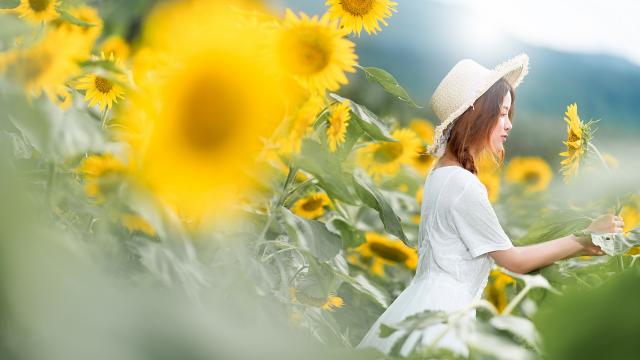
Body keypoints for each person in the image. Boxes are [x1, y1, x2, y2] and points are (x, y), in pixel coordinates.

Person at [355, 53, 625, 357]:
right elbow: (514, 261)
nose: (509, 125)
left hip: (418, 306)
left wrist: (583, 243)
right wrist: (583, 238)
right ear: (476, 114)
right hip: (443, 318)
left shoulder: (441, 174)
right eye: (501, 113)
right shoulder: (463, 185)